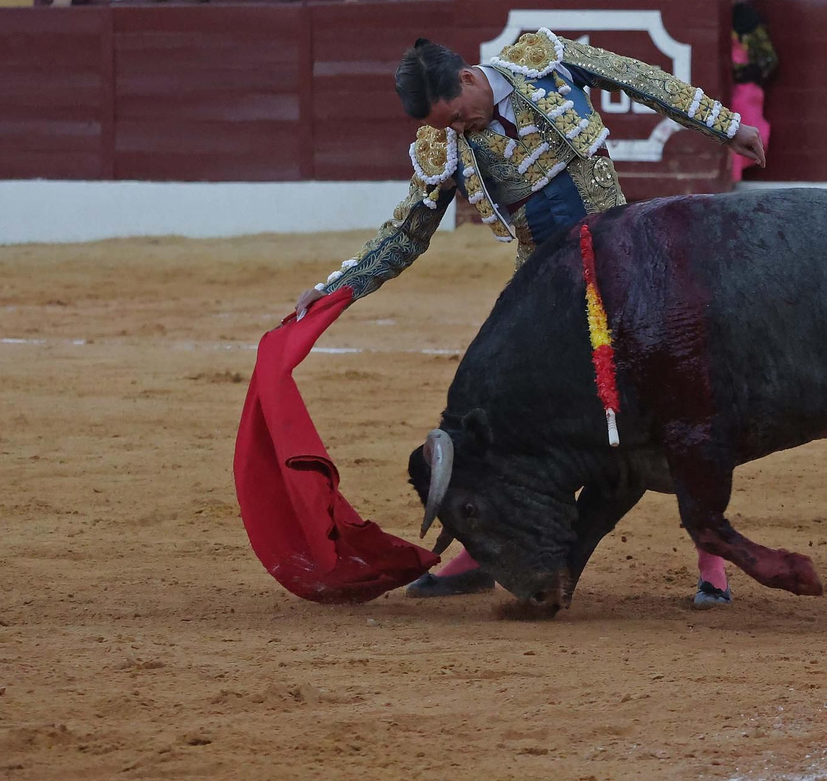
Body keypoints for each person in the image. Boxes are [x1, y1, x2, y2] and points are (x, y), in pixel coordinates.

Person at [291, 31, 766, 604]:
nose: (459, 130)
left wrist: (726, 126)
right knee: (516, 424)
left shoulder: (544, 62)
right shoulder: (446, 145)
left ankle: (712, 560)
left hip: (627, 270)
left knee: (676, 404)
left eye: (458, 116)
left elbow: (643, 80)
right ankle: (480, 553)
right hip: (544, 299)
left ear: (469, 77)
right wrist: (334, 291)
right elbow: (405, 235)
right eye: (448, 126)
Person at [724, 0, 776, 184]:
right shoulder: (718, 15)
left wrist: (742, 73)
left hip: (743, 86)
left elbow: (768, 59)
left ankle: (733, 176)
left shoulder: (748, 18)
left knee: (738, 118)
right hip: (726, 86)